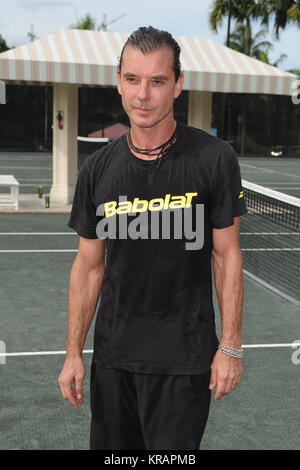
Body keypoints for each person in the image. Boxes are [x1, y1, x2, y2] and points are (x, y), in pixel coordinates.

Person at [58, 26, 247, 450]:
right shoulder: (97, 170)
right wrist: (74, 353)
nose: (143, 95)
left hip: (184, 362)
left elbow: (227, 256)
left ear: (178, 84)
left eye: (157, 81)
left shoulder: (214, 159)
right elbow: (88, 267)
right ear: (118, 81)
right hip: (113, 360)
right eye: (132, 79)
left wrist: (231, 345)